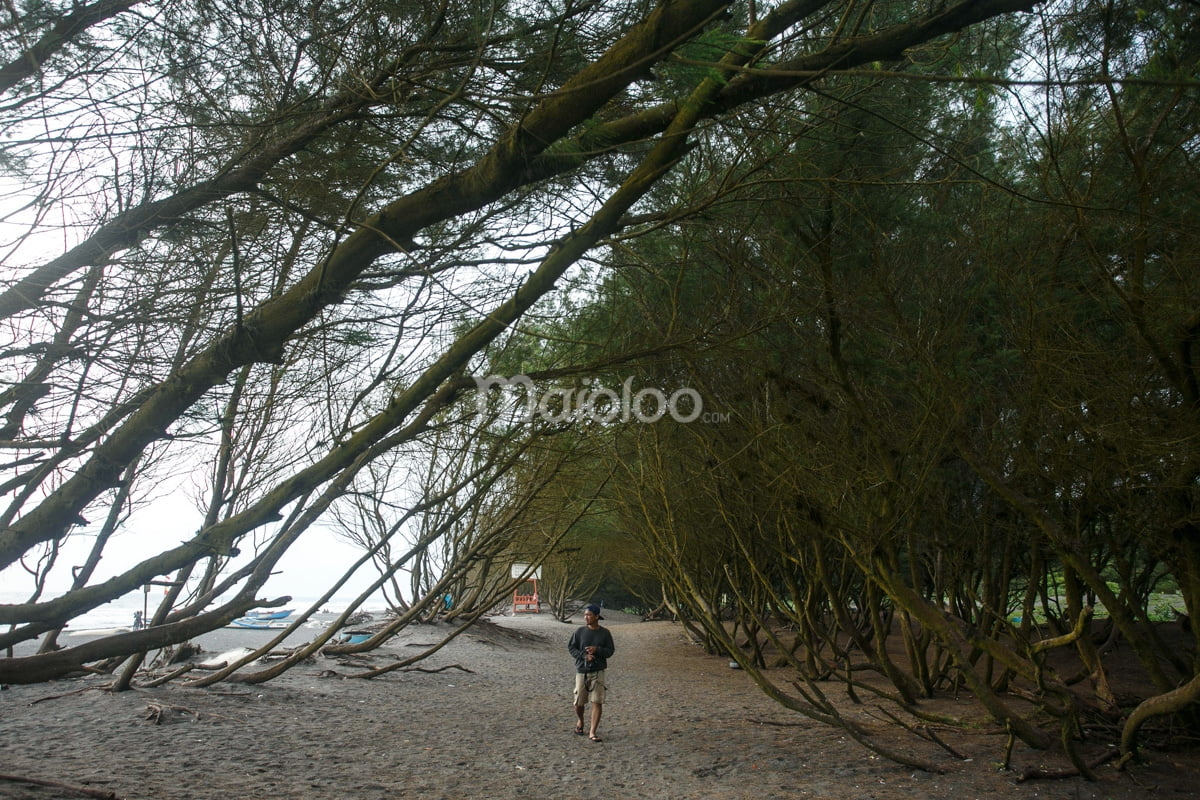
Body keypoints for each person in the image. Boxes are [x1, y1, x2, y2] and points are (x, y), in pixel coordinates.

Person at [567, 603, 615, 742]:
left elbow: (610, 651)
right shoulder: (579, 632)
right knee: (579, 702)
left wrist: (597, 650)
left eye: (589, 615)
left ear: (596, 616)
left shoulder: (605, 633)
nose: (586, 617)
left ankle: (592, 732)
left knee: (597, 701)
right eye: (585, 615)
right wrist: (584, 656)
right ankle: (580, 721)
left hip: (598, 670)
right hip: (582, 670)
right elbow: (571, 648)